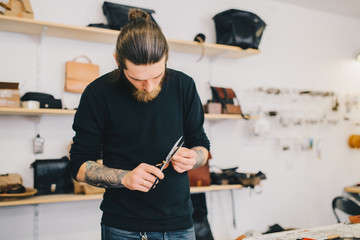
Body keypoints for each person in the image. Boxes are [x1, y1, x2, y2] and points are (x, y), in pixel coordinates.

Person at [68, 8, 210, 240]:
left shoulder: (184, 86)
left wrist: (195, 157)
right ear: (117, 61)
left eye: (157, 75)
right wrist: (125, 178)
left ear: (166, 58)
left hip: (179, 225)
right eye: (138, 79)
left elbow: (202, 144)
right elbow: (79, 166)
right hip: (122, 227)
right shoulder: (97, 94)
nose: (150, 86)